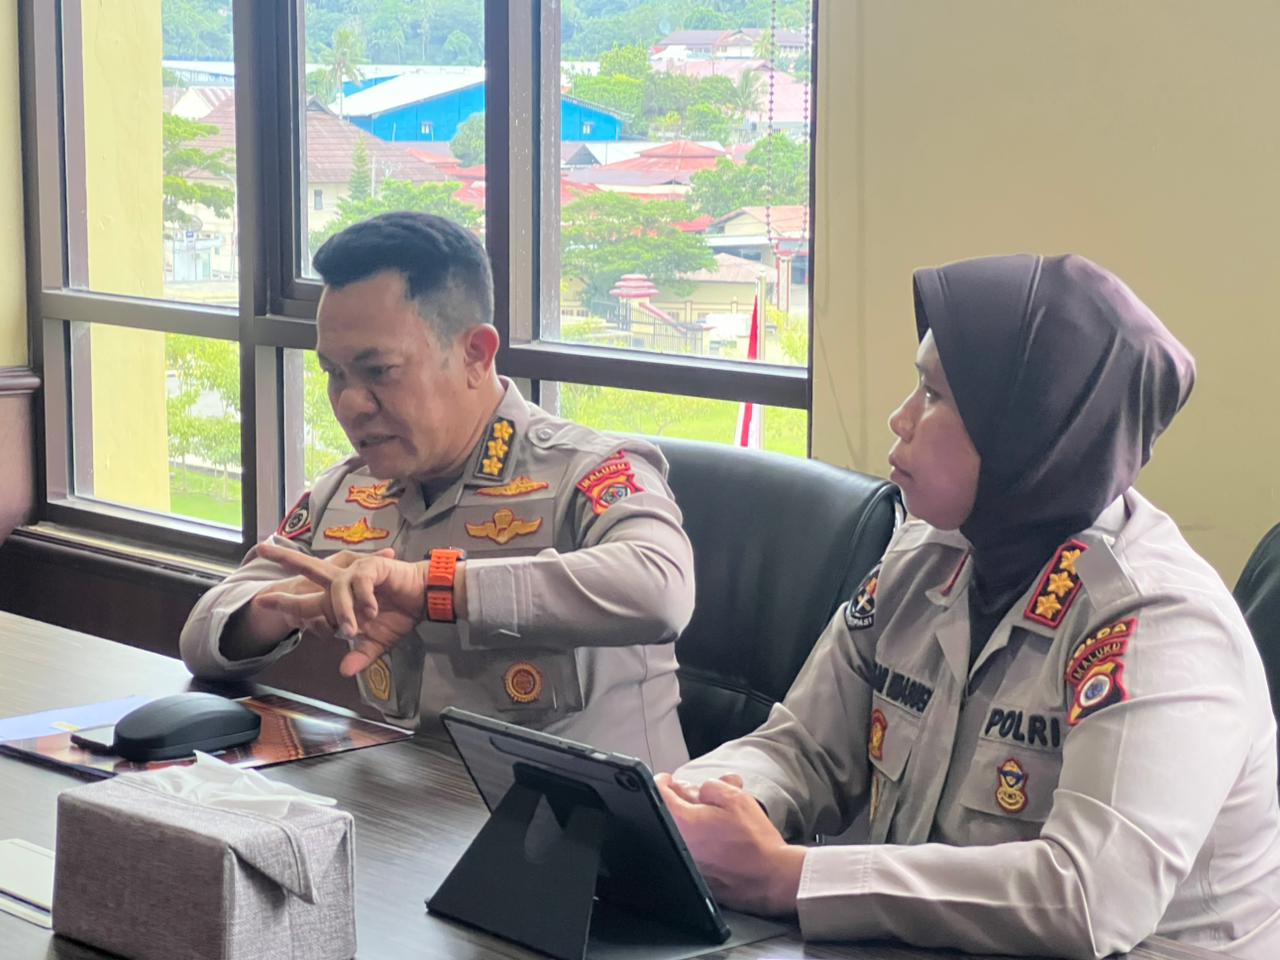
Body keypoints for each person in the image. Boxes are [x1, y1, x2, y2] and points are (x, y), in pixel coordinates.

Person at [656, 254, 1280, 959]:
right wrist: (687, 809)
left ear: (1035, 425)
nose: (900, 418)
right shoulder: (924, 557)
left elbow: (1089, 896)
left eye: (933, 396)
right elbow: (803, 749)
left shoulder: (1160, 622)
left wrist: (792, 877)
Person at [180, 212, 694, 772]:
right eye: (334, 373)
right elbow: (202, 637)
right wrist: (293, 606)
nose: (350, 404)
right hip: (410, 814)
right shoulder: (348, 492)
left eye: (379, 371)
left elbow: (660, 586)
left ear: (476, 354)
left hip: (590, 822)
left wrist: (434, 589)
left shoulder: (588, 470)